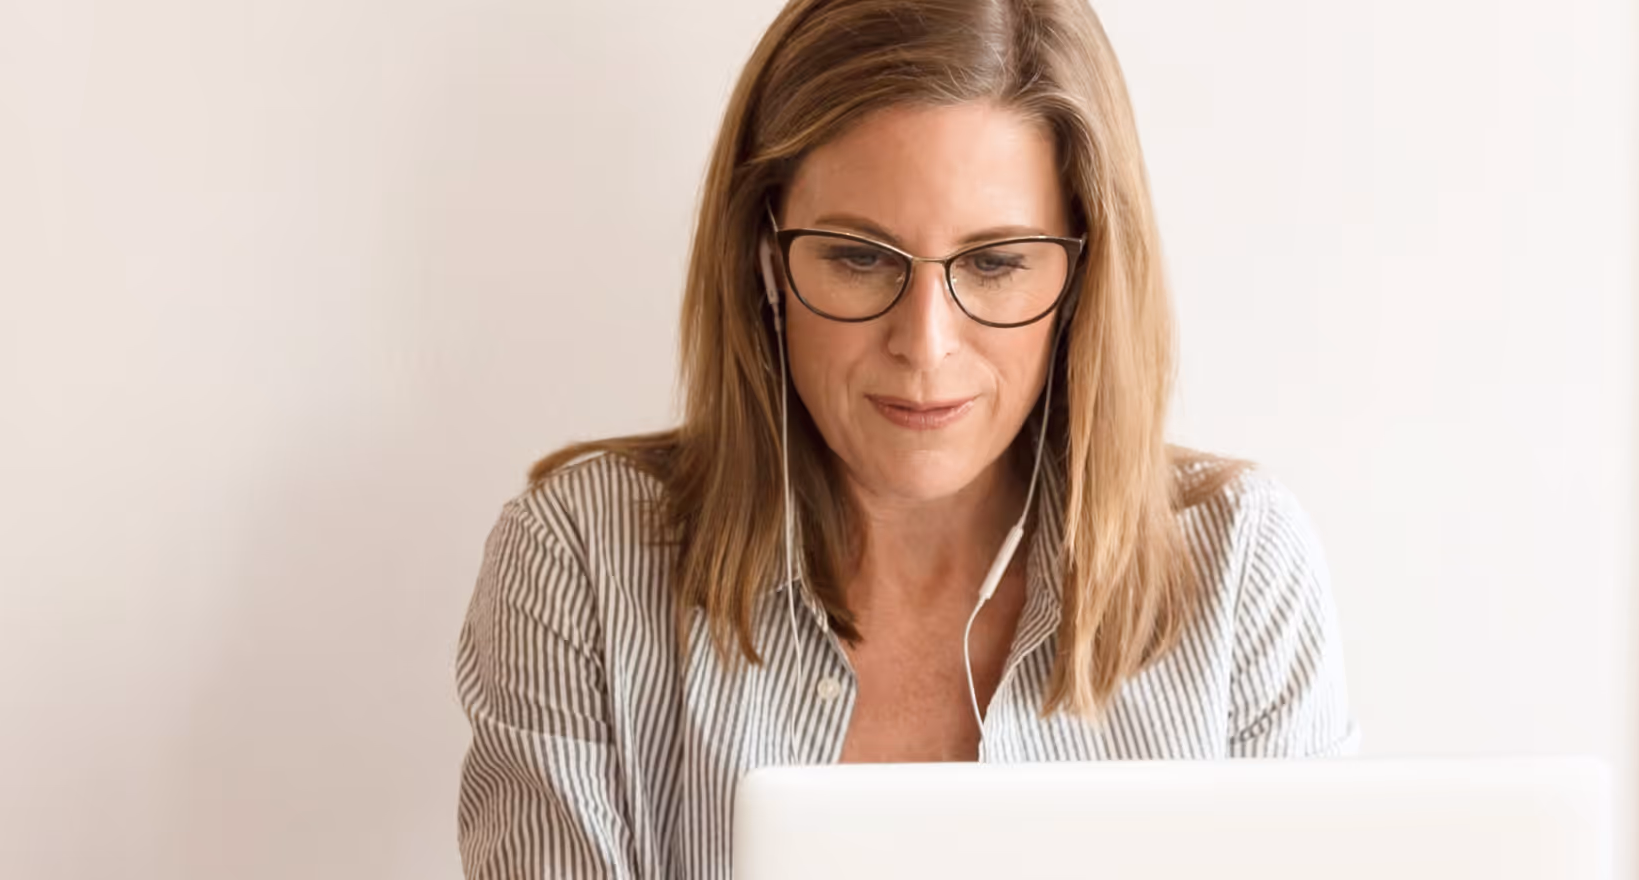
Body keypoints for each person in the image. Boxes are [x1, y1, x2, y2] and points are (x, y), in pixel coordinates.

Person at [452, 0, 1357, 876]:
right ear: (765, 256)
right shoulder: (581, 561)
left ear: (1085, 273)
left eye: (997, 264)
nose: (925, 346)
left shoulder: (1241, 571)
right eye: (859, 257)